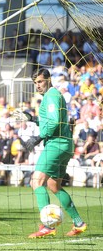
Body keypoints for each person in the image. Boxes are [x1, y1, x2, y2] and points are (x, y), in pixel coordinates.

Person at [17, 68, 87, 238]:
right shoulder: (54, 96)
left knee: (36, 181)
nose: (37, 86)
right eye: (35, 83)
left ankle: (47, 227)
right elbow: (53, 119)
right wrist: (33, 119)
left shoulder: (51, 96)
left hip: (55, 145)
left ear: (48, 79)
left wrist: (38, 137)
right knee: (53, 185)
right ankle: (79, 223)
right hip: (65, 144)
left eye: (40, 81)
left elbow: (54, 122)